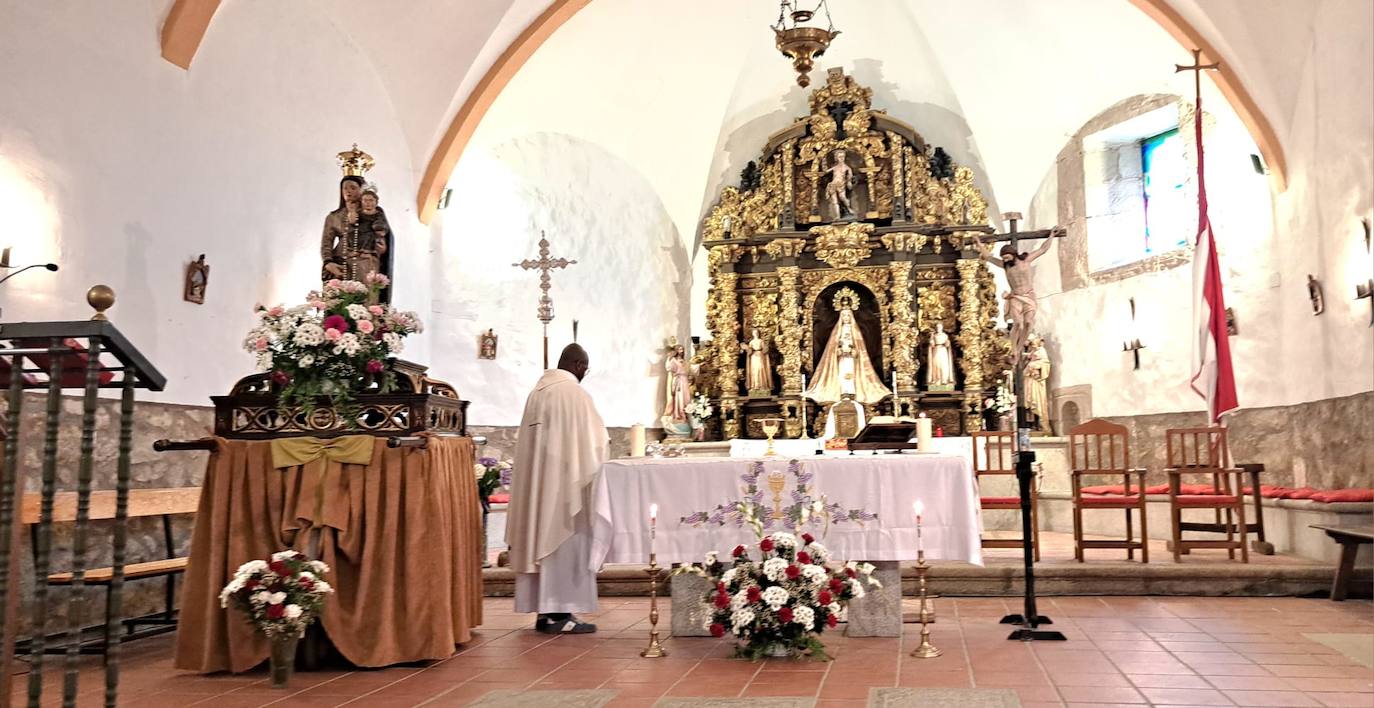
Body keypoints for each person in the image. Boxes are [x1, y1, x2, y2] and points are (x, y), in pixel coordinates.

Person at [506, 344, 608, 634]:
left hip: (540, 490)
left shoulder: (537, 393)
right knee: (564, 542)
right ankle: (559, 614)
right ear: (578, 365)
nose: (585, 374)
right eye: (585, 369)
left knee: (541, 537)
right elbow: (596, 442)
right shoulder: (574, 394)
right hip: (565, 491)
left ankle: (545, 613)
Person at [973, 230, 1059, 365]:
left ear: (1013, 255)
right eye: (1003, 258)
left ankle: (1018, 349)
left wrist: (1052, 235)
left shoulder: (1026, 260)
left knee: (1028, 323)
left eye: (1007, 257)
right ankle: (1014, 350)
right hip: (1015, 297)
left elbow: (1043, 249)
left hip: (1029, 296)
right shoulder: (1005, 266)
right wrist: (978, 243)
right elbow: (988, 257)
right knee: (1018, 323)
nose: (1005, 260)